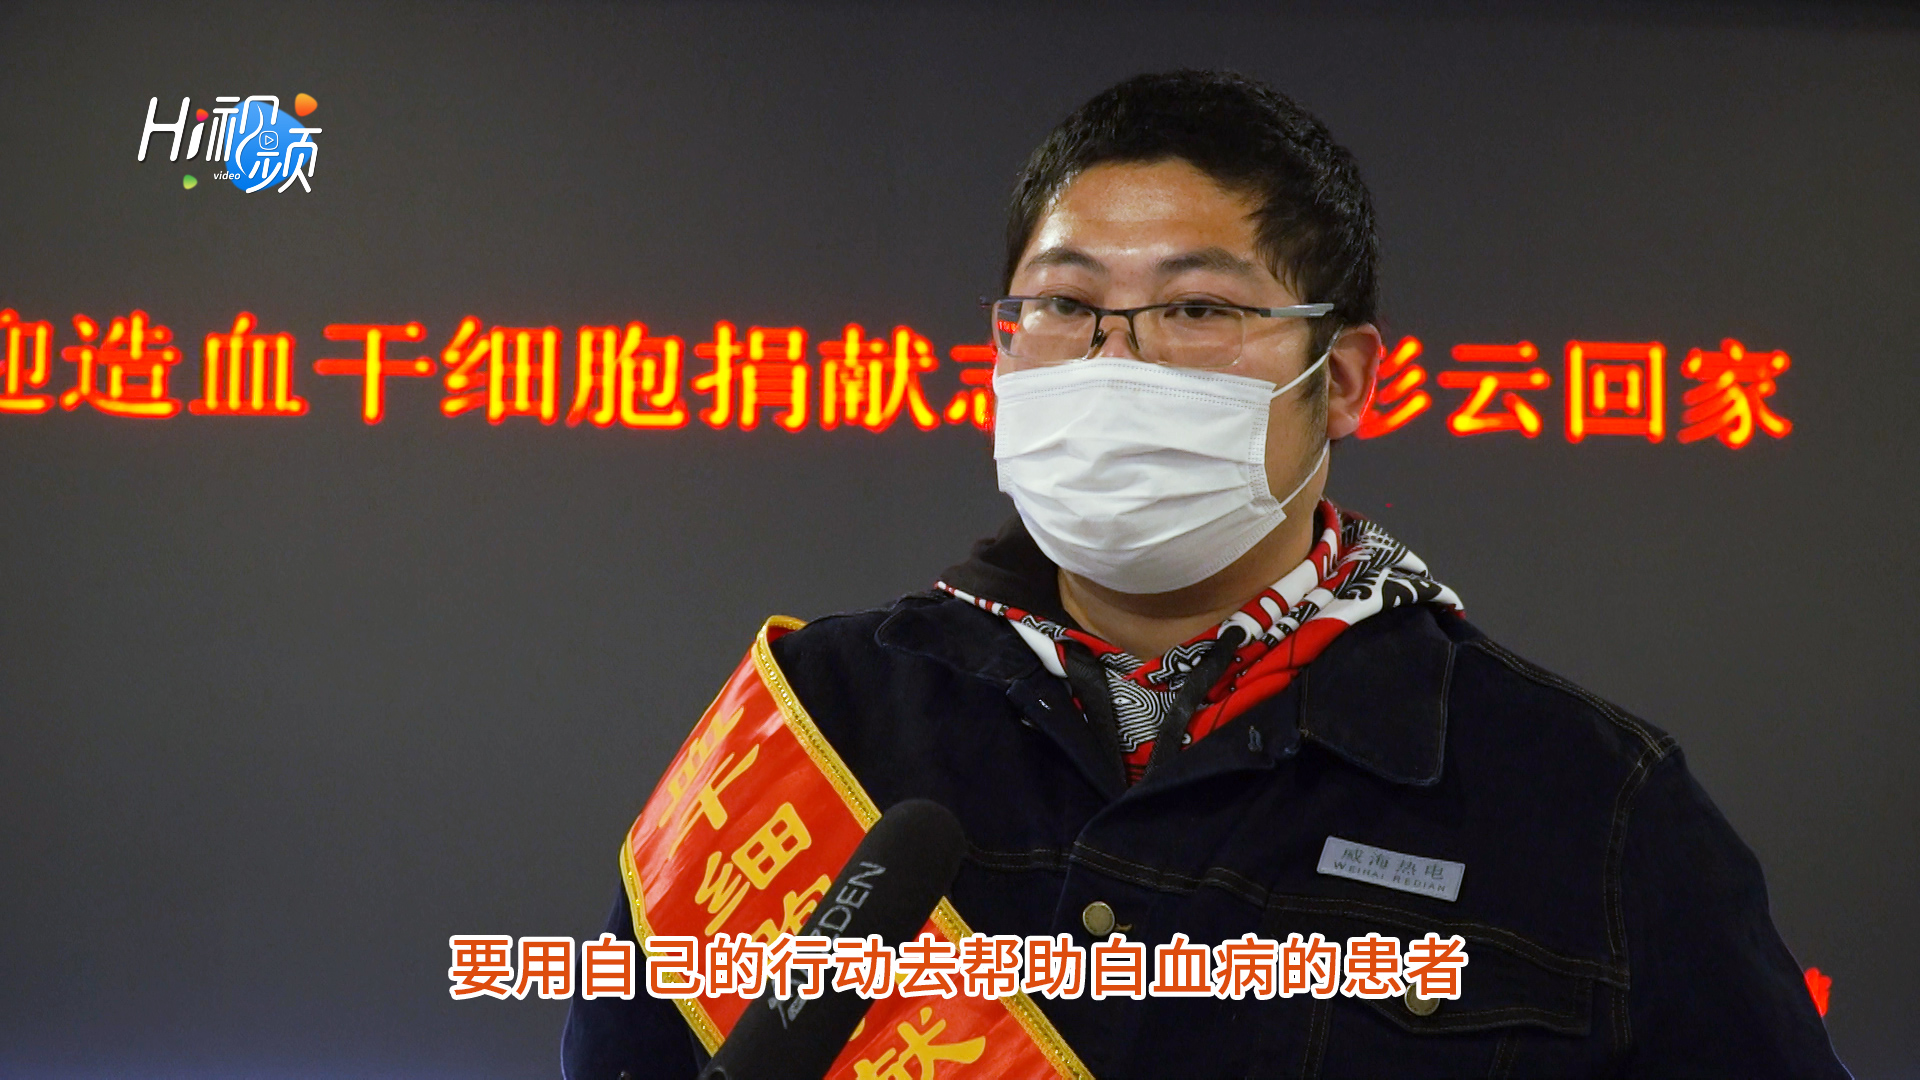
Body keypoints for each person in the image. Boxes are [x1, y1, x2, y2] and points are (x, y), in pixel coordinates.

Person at [563, 70, 1848, 1079]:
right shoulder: (818, 716)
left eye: (1196, 310)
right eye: (1064, 305)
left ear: (1342, 379)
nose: (1113, 362)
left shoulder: (1588, 802)